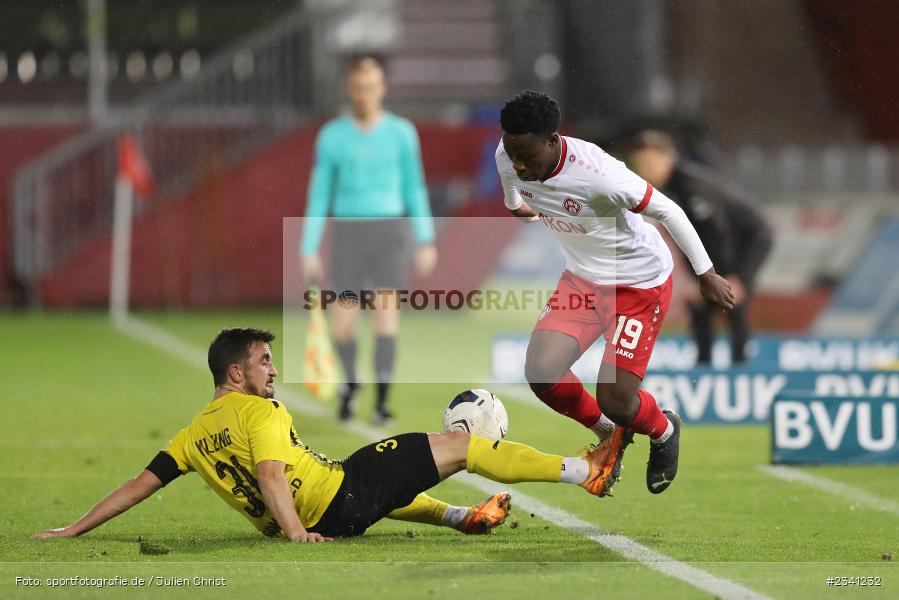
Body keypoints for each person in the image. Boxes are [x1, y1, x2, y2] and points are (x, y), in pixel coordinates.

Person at [35, 328, 630, 543]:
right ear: (236, 373)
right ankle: (586, 471)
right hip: (330, 504)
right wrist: (296, 534)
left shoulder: (195, 433)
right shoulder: (259, 413)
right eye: (265, 361)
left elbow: (141, 485)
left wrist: (74, 527)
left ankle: (459, 518)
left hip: (333, 500)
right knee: (456, 447)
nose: (274, 370)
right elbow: (270, 473)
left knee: (386, 474)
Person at [495, 91, 734, 495]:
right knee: (541, 372)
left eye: (527, 157)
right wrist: (521, 204)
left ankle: (663, 429)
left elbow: (670, 211)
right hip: (583, 280)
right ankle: (610, 435)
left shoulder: (599, 174)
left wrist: (707, 274)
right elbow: (514, 200)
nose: (518, 164)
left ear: (553, 141)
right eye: (513, 153)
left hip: (638, 283)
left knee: (618, 399)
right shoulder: (508, 153)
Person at [300, 56, 437, 426]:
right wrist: (308, 247)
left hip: (389, 233)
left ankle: (381, 404)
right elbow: (319, 194)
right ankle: (351, 382)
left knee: (385, 321)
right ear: (350, 89)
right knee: (341, 326)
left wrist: (425, 238)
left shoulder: (402, 133)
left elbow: (415, 186)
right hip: (347, 234)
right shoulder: (332, 136)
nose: (364, 95)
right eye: (358, 88)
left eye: (371, 87)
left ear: (382, 89)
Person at [628, 130, 773, 364]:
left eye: (650, 162)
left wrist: (727, 276)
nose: (646, 169)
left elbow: (716, 232)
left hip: (749, 238)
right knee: (700, 304)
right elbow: (687, 237)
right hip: (723, 243)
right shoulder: (666, 188)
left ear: (669, 157)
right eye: (641, 164)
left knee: (731, 297)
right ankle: (703, 365)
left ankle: (742, 366)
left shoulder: (689, 186)